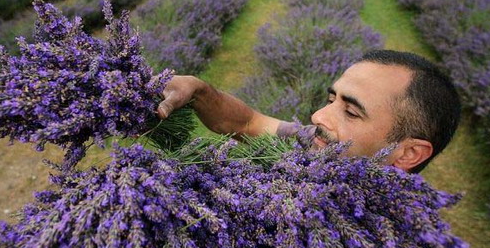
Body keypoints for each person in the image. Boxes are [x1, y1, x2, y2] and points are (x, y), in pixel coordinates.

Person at [157, 50, 461, 173]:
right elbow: (249, 122)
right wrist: (199, 91)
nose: (318, 117)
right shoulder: (315, 142)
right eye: (332, 100)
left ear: (408, 154)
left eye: (352, 112)